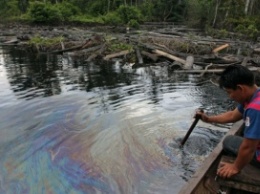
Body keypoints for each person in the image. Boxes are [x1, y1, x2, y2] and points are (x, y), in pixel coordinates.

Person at [197, 64, 260, 178]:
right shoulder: (254, 95)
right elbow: (232, 115)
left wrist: (235, 167)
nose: (230, 97)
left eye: (229, 92)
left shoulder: (255, 109)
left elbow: (248, 148)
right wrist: (208, 119)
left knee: (229, 141)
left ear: (241, 88)